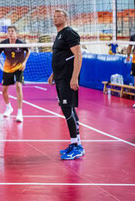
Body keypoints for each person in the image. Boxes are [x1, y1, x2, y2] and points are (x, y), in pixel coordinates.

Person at [48, 9, 84, 160]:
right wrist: (53, 74)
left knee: (67, 109)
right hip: (60, 77)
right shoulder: (59, 35)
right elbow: (62, 56)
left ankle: (76, 147)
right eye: (54, 16)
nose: (56, 18)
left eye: (59, 16)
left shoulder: (69, 33)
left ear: (66, 18)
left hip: (68, 77)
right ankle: (76, 143)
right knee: (68, 109)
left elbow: (78, 54)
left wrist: (74, 78)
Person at [0, 26, 29, 122]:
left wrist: (24, 62)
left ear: (16, 33)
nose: (10, 33)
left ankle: (20, 113)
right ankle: (8, 107)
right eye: (9, 31)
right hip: (8, 68)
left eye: (12, 31)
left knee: (18, 86)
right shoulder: (3, 43)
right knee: (4, 90)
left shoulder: (21, 43)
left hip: (19, 67)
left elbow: (28, 52)